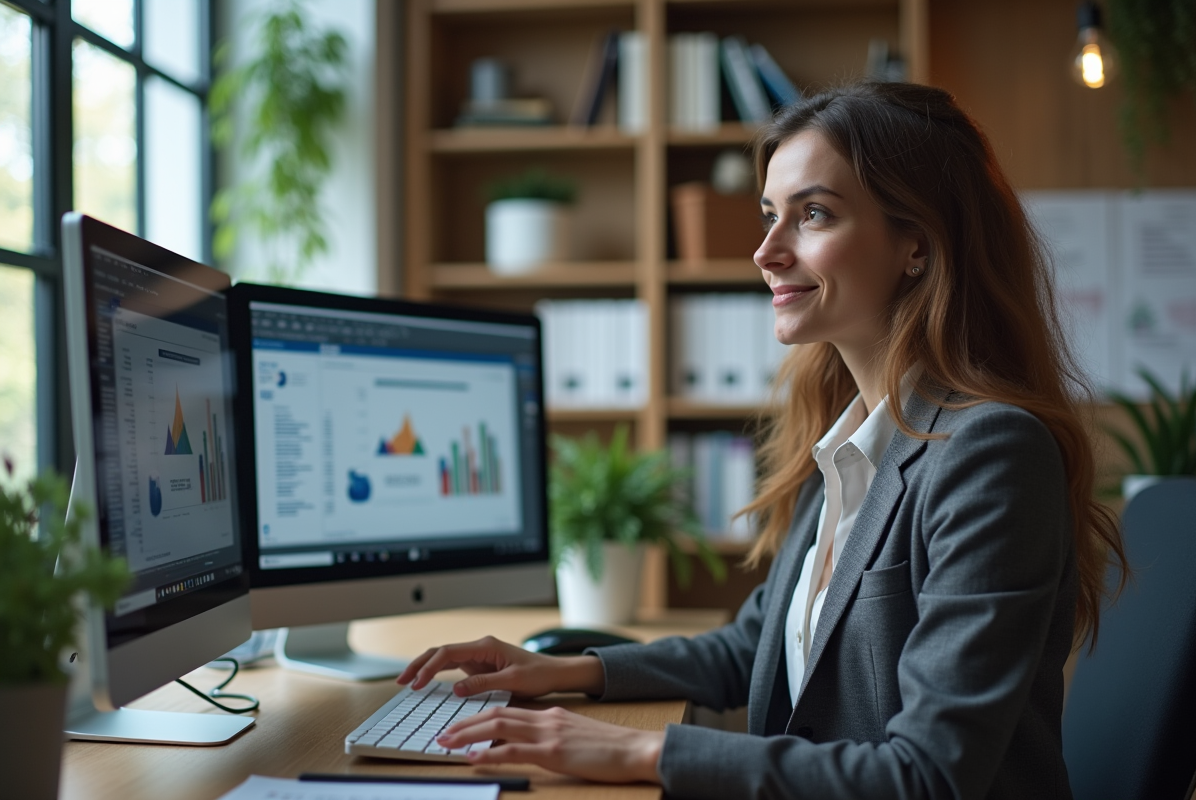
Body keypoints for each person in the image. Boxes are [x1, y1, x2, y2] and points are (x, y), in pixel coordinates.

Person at [395, 82, 1129, 799]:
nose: (766, 251)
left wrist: (642, 752)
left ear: (916, 243)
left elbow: (928, 776)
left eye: (813, 214)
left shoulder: (990, 453)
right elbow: (755, 644)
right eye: (770, 214)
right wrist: (565, 671)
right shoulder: (848, 440)